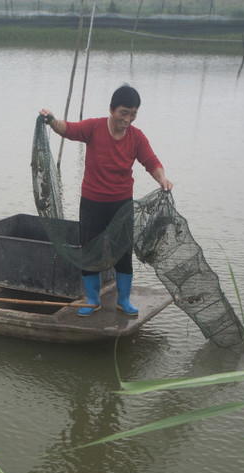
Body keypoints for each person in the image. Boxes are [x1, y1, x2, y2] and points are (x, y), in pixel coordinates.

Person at [39, 84, 173, 317]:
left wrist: (162, 179)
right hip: (92, 202)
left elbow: (151, 162)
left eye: (133, 114)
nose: (128, 119)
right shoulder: (94, 127)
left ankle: (123, 300)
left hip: (122, 206)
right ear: (111, 110)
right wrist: (51, 120)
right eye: (124, 112)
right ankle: (93, 299)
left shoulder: (137, 137)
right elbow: (68, 129)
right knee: (89, 250)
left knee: (123, 252)